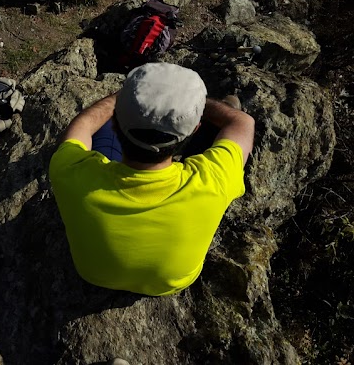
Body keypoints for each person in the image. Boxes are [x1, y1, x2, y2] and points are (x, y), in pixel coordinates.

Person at [49, 62, 255, 297]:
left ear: (118, 120)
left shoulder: (69, 170)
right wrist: (192, 107)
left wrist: (127, 101)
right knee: (226, 115)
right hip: (169, 284)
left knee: (100, 126)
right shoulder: (215, 179)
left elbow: (83, 125)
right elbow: (242, 122)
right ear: (194, 128)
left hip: (92, 273)